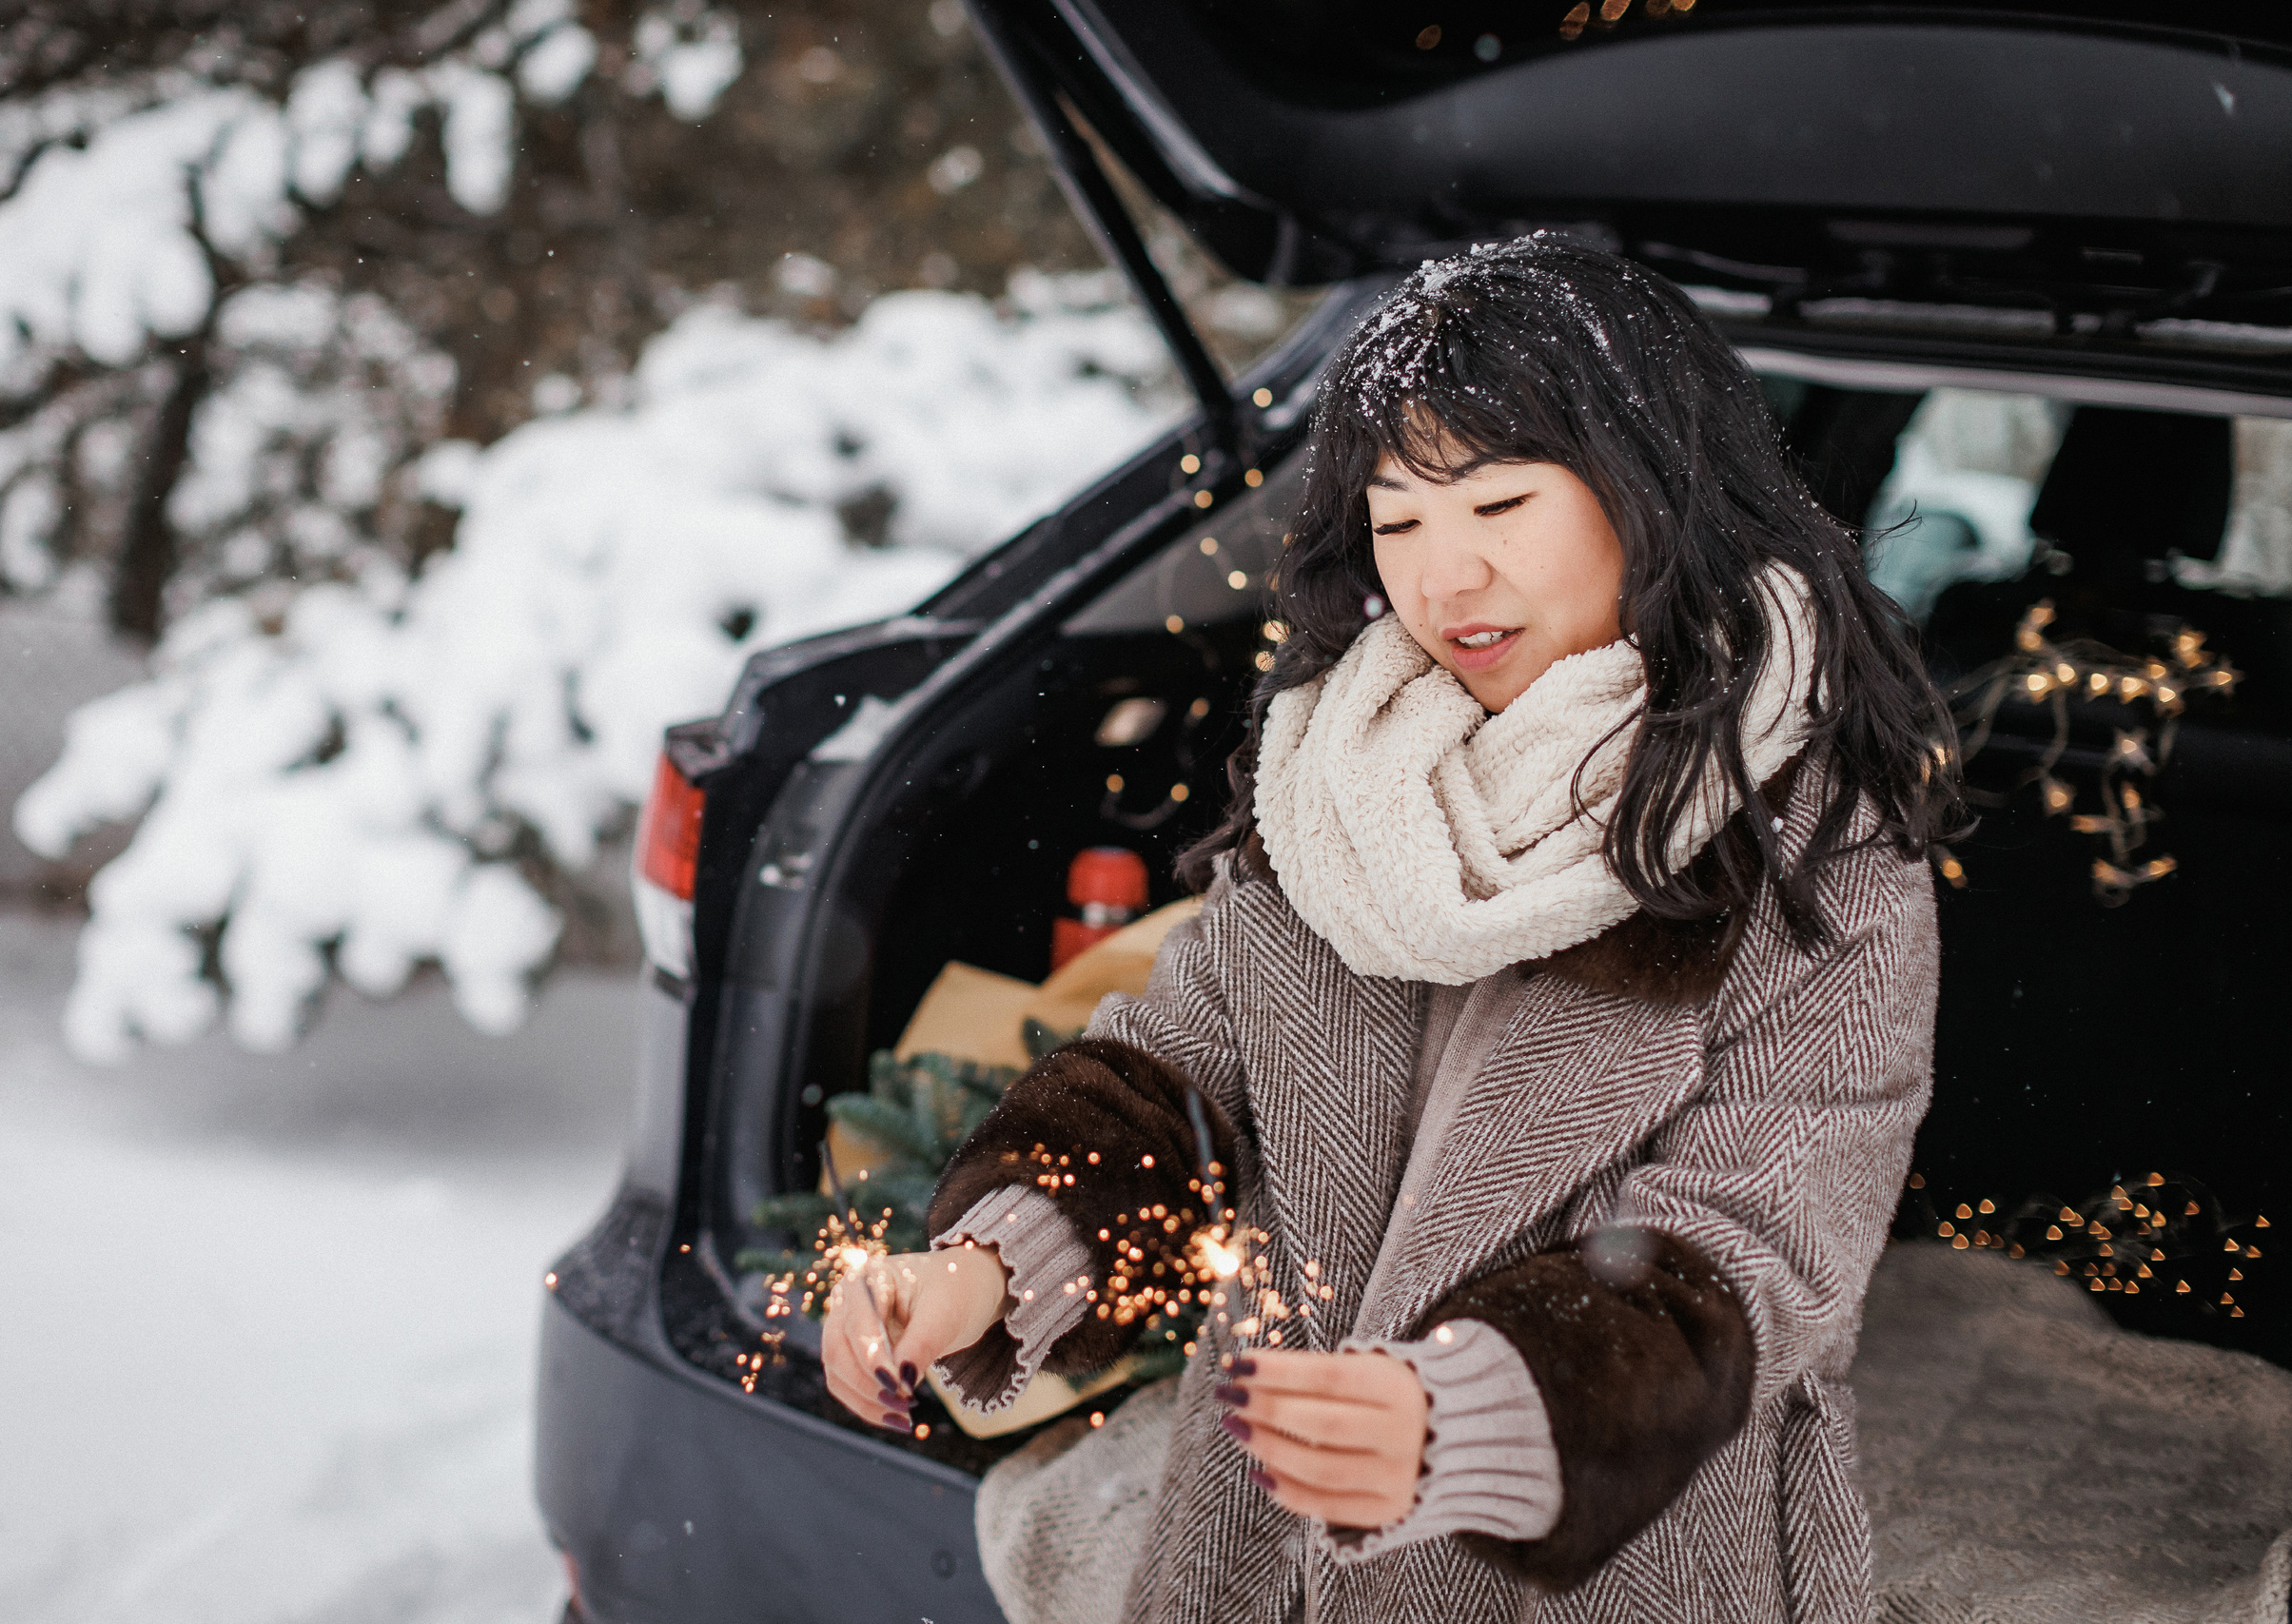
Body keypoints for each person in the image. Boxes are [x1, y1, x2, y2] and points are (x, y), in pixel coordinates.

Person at [822, 234, 1963, 1624]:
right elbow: (1181, 1077)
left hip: (1618, 1560)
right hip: (1260, 1526)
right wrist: (987, 1266)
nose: (1445, 578)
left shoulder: (1809, 839)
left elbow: (1760, 1243)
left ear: (1652, 491)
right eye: (1398, 518)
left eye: (1499, 503)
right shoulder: (1338, 779)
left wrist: (1468, 1413)